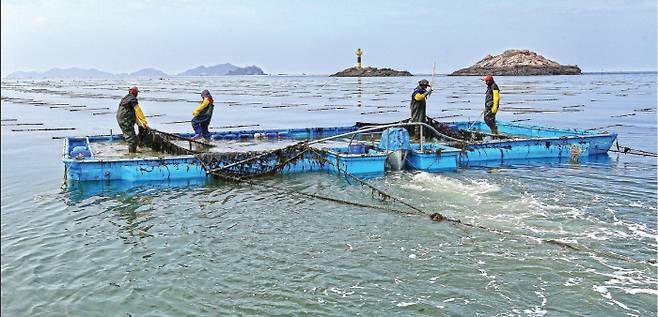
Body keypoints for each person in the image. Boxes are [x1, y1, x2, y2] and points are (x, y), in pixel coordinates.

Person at [116, 86, 148, 153]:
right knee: (132, 139)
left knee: (130, 136)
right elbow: (138, 110)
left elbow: (133, 113)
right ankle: (132, 154)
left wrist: (139, 124)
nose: (137, 94)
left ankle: (132, 150)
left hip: (123, 119)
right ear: (134, 92)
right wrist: (144, 121)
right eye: (137, 92)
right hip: (125, 120)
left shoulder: (125, 98)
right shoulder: (133, 99)